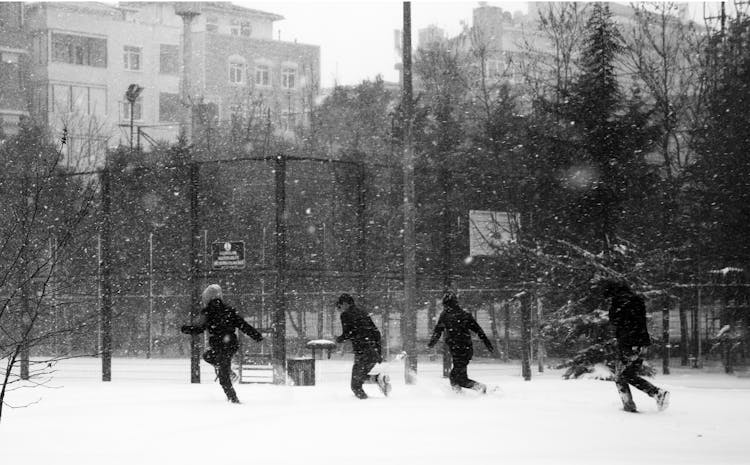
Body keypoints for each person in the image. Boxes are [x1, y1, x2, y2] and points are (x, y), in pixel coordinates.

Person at [181, 284, 263, 403]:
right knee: (209, 356)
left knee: (222, 375)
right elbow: (243, 325)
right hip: (230, 344)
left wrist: (185, 329)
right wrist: (257, 336)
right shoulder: (228, 310)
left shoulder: (207, 312)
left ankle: (233, 399)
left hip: (220, 345)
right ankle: (228, 373)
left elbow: (199, 328)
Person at [600, 279, 670, 413]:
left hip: (628, 343)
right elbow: (636, 322)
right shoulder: (636, 300)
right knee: (626, 374)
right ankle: (638, 401)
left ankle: (653, 395)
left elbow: (615, 320)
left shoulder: (620, 302)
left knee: (622, 375)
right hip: (640, 342)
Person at [427, 291, 494, 394]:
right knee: (457, 377)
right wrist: (487, 343)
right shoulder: (464, 315)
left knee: (457, 378)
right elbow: (479, 330)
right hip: (465, 349)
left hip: (458, 349)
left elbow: (438, 331)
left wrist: (431, 343)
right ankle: (460, 395)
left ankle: (477, 388)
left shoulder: (445, 315)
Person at [335, 293, 391, 399]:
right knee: (359, 377)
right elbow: (376, 332)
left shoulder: (346, 314)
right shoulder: (363, 312)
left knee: (355, 386)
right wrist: (378, 351)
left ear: (345, 304)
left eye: (340, 305)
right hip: (372, 350)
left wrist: (338, 339)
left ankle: (365, 406)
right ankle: (378, 378)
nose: (340, 308)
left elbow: (348, 334)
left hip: (363, 351)